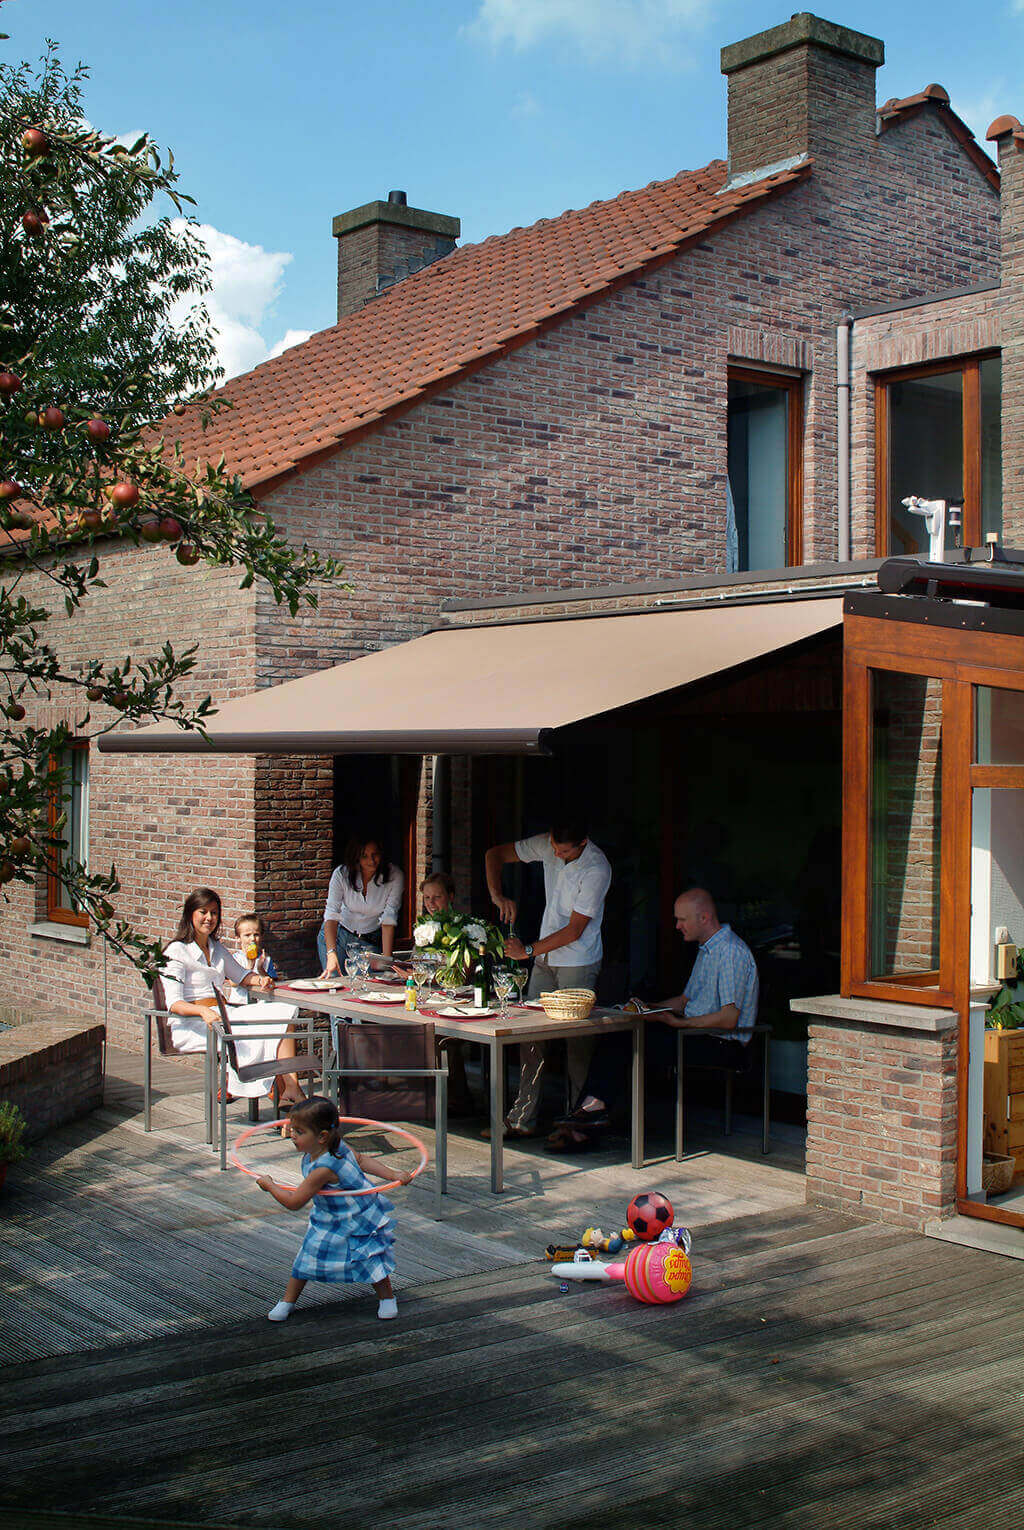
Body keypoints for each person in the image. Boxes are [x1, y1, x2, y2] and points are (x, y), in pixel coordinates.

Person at [548, 886, 758, 1152]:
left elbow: (729, 1019)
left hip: (723, 1045)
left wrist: (678, 1023)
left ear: (704, 918)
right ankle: (589, 1112)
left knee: (627, 1040)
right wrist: (647, 1008)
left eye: (682, 919)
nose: (677, 925)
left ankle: (588, 1115)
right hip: (698, 1035)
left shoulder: (729, 952)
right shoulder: (709, 950)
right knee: (623, 1032)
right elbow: (684, 1002)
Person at [485, 817, 612, 1137]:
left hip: (578, 961)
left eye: (563, 851)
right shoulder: (548, 844)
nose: (555, 855)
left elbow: (574, 929)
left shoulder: (597, 869)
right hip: (544, 957)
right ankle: (521, 1119)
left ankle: (576, 1125)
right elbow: (493, 855)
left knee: (577, 1042)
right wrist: (498, 896)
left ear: (583, 844)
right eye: (553, 847)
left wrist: (526, 950)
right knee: (528, 1035)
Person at [257, 1095, 414, 1322]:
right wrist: (391, 1174)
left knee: (369, 1257)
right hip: (329, 1218)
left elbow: (294, 1202)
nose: (292, 1135)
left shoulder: (323, 1167)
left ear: (322, 1137)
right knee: (307, 1257)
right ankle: (287, 1301)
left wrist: (270, 1186)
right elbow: (360, 1160)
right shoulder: (332, 1144)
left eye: (299, 1132)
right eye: (292, 1129)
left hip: (357, 1217)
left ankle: (387, 1298)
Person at [162, 888, 305, 1106]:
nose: (209, 918)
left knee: (284, 1011)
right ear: (190, 914)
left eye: (214, 913)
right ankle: (285, 1092)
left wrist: (260, 980)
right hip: (194, 1023)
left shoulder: (216, 948)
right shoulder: (176, 951)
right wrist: (202, 1011)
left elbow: (240, 975)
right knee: (267, 1027)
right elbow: (173, 1003)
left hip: (223, 1013)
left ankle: (291, 1088)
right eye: (203, 912)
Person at [318, 837, 404, 975]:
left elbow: (389, 917)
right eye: (365, 856)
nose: (371, 861)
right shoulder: (341, 874)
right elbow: (331, 914)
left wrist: (387, 962)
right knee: (334, 983)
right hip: (338, 936)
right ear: (356, 857)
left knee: (365, 987)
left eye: (375, 854)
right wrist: (331, 954)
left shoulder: (395, 876)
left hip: (368, 941)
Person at [224, 911, 279, 1005]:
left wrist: (260, 969)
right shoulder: (235, 959)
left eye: (256, 934)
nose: (252, 939)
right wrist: (250, 965)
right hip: (240, 1003)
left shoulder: (265, 959)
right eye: (247, 935)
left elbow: (271, 982)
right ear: (238, 938)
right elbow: (233, 983)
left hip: (261, 1004)